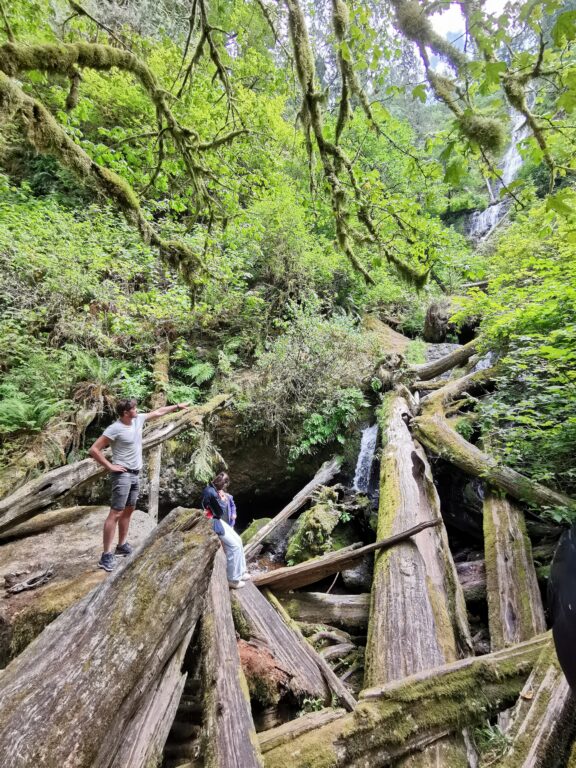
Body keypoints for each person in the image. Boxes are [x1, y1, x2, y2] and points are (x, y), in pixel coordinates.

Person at [89, 397, 189, 572]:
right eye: (134, 408)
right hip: (122, 475)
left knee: (129, 510)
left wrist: (178, 406)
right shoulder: (115, 429)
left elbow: (158, 412)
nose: (137, 410)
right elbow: (94, 449)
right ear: (126, 413)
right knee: (116, 513)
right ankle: (106, 555)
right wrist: (110, 466)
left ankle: (121, 545)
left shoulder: (138, 420)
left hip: (135, 474)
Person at [202, 472, 248, 588]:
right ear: (223, 484)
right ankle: (233, 579)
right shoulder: (212, 493)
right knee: (234, 546)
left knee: (238, 539)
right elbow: (219, 511)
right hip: (213, 521)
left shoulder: (211, 490)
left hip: (216, 519)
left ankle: (241, 571)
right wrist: (222, 500)